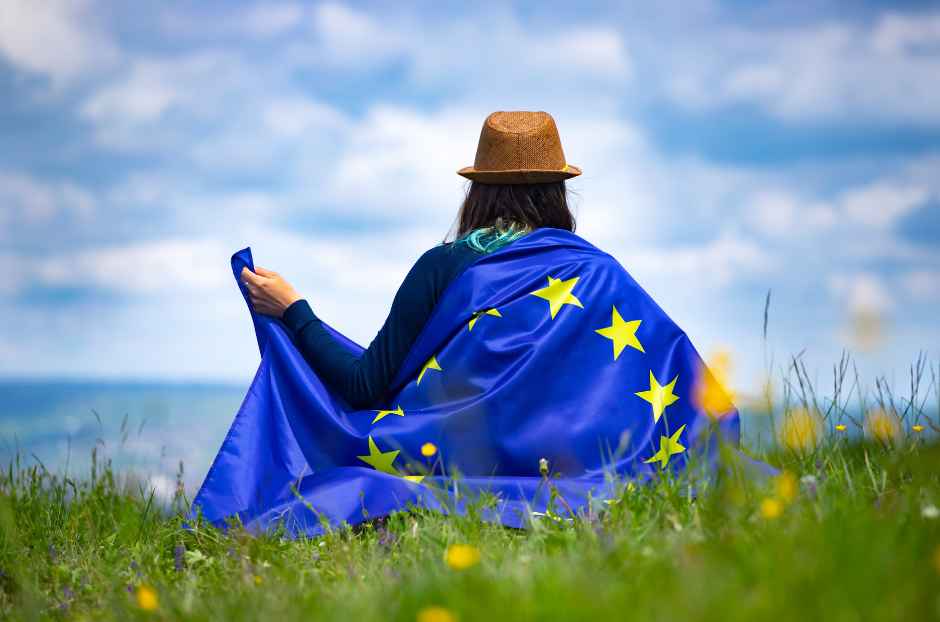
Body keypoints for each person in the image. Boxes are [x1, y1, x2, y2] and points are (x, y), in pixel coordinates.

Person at [240, 110, 582, 410]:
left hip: (469, 469)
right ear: (559, 192)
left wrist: (293, 310)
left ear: (479, 190)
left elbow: (363, 387)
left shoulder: (442, 266)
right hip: (569, 474)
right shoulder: (594, 272)